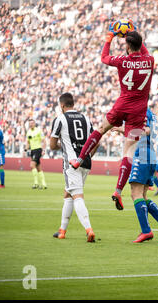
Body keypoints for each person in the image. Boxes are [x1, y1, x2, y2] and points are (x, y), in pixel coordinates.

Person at [69, 24, 154, 213]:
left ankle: (79, 159)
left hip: (123, 103)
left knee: (100, 130)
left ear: (127, 46)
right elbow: (142, 49)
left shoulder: (122, 61)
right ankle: (117, 190)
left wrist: (109, 39)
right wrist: (134, 32)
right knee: (129, 151)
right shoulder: (150, 60)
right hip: (139, 110)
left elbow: (104, 57)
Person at [49, 93, 97, 242]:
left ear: (62, 105)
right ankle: (62, 230)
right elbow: (97, 142)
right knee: (68, 194)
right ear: (73, 104)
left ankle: (89, 230)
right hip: (86, 162)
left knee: (77, 196)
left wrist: (63, 146)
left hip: (71, 163)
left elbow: (52, 145)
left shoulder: (60, 119)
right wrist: (87, 156)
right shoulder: (86, 119)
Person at [128, 108, 158, 243]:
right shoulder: (151, 114)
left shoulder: (142, 110)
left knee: (135, 194)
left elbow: (146, 131)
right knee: (143, 196)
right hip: (151, 155)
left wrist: (127, 132)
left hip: (143, 154)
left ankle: (146, 231)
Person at [26, 119, 47, 189]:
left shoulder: (38, 130)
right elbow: (28, 142)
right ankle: (44, 185)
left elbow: (44, 141)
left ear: (34, 124)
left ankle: (36, 183)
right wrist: (26, 149)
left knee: (32, 165)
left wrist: (43, 150)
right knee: (38, 168)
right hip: (32, 151)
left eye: (32, 123)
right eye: (30, 123)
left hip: (38, 150)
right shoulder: (28, 132)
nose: (31, 124)